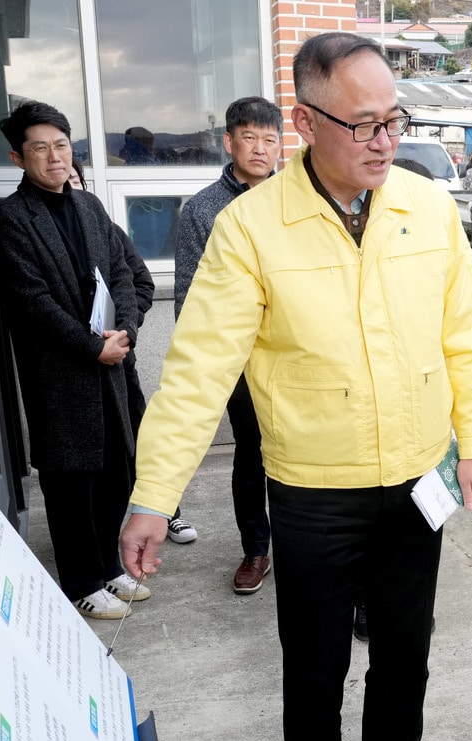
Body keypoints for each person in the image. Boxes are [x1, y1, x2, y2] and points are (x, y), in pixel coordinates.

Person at [119, 32, 472, 741]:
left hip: (416, 480)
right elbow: (198, 370)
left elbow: (467, 333)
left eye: (395, 119)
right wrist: (154, 493)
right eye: (363, 124)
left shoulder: (426, 206)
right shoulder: (252, 228)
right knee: (315, 671)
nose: (385, 140)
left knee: (405, 662)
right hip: (312, 495)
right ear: (305, 121)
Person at [0, 101, 149, 619]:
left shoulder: (89, 207)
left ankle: (110, 568)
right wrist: (91, 346)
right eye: (40, 147)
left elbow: (122, 272)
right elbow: (31, 303)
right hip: (61, 372)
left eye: (61, 145)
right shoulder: (11, 219)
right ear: (18, 156)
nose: (55, 157)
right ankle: (82, 581)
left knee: (117, 471)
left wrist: (124, 329)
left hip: (111, 363)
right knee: (71, 480)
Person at [173, 96, 282, 596]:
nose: (260, 149)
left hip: (296, 355)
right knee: (252, 453)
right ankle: (256, 549)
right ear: (229, 142)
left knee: (303, 452)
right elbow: (193, 294)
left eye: (270, 138)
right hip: (241, 361)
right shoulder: (202, 210)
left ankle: (302, 543)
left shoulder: (297, 198)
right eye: (250, 138)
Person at [69, 159, 201, 550]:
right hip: (77, 362)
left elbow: (139, 283)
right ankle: (101, 536)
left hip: (118, 358)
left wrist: (123, 332)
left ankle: (164, 512)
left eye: (77, 180)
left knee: (140, 436)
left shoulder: (106, 231)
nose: (70, 187)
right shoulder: (45, 235)